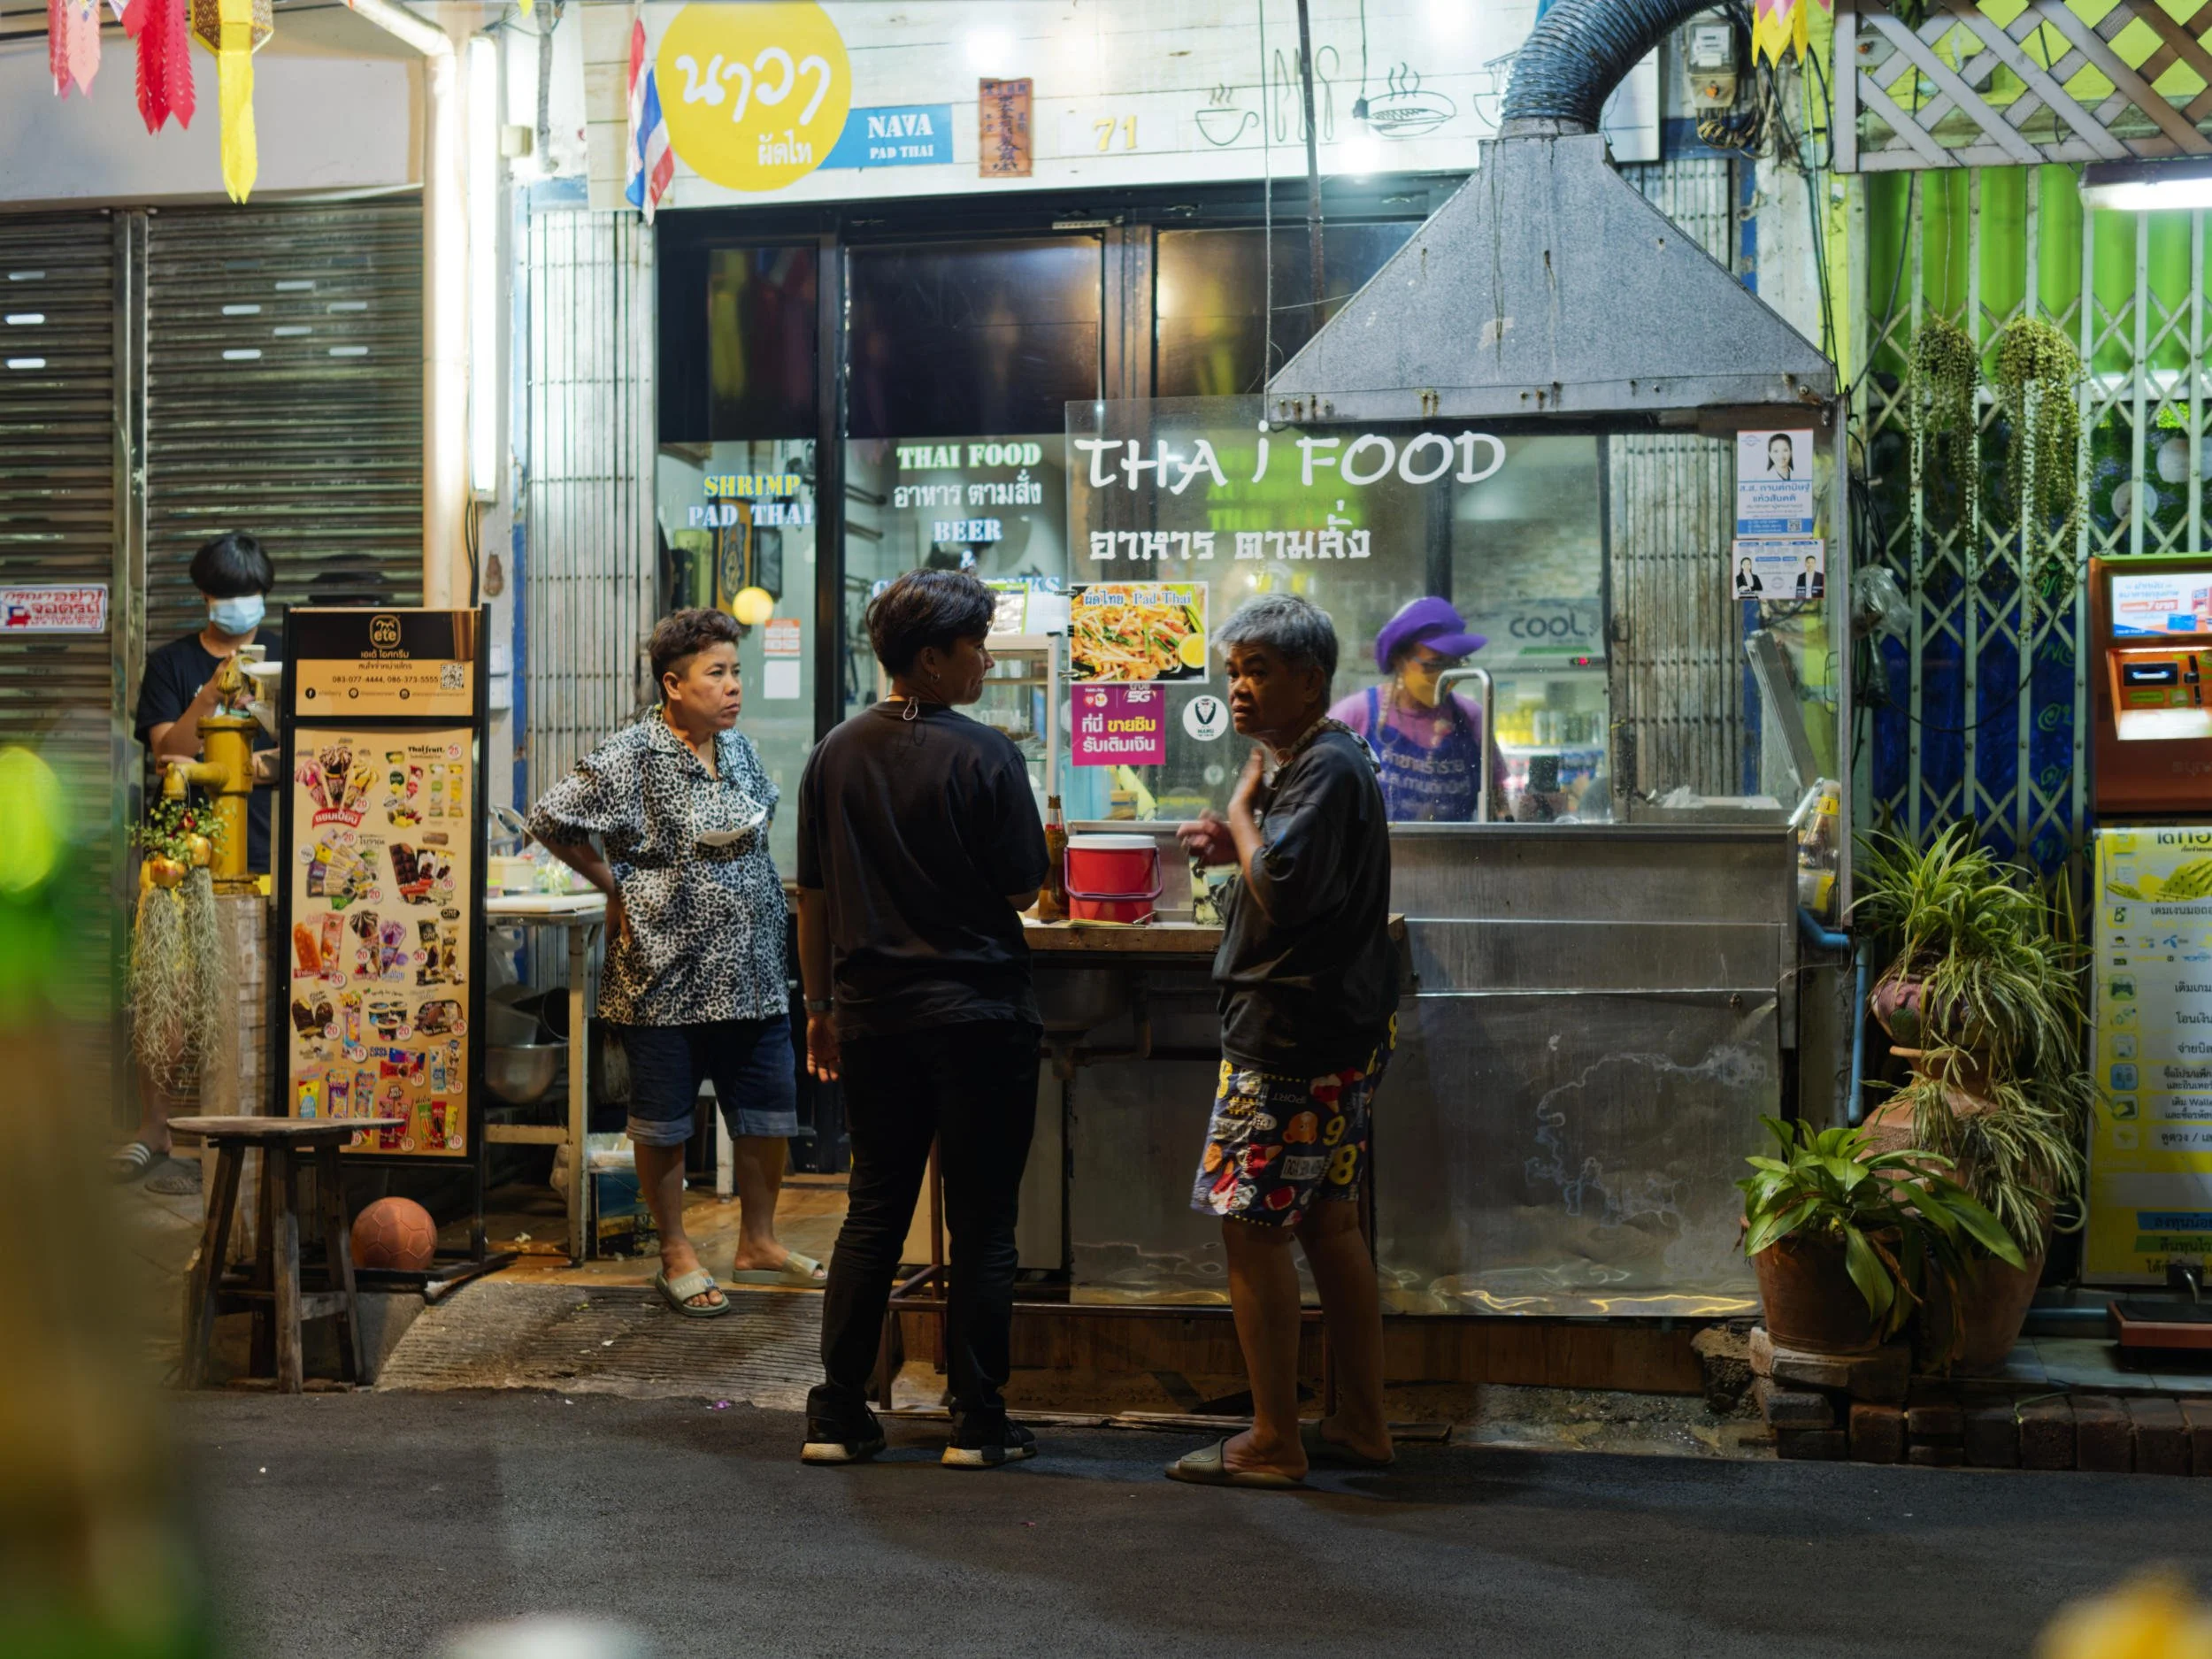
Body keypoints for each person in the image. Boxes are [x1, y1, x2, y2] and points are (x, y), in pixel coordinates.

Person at [795, 568, 1048, 1471]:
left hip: (871, 1016)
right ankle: (977, 1421)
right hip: (978, 1013)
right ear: (932, 659)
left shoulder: (834, 752)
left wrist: (819, 1006)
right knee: (982, 1220)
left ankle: (836, 1415)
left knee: (873, 1211)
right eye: (974, 646)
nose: (983, 660)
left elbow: (813, 897)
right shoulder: (986, 754)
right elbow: (1024, 886)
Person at [527, 608, 819, 1319]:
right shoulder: (633, 752)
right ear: (672, 683)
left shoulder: (741, 749)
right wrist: (612, 883)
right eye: (715, 673)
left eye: (736, 671)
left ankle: (758, 1242)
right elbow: (550, 817)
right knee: (663, 1119)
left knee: (766, 1109)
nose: (732, 687)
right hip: (667, 969)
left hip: (751, 965)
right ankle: (677, 1253)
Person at [1170, 595, 1401, 1488]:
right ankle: (1361, 1424)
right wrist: (1242, 840)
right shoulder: (1312, 763)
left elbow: (1287, 889)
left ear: (1310, 680)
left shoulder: (1318, 766)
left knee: (1252, 1232)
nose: (1238, 687)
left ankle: (1273, 1440)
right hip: (1331, 1033)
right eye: (1232, 671)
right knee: (1328, 1225)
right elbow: (1292, 872)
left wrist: (1236, 812)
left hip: (1291, 1039)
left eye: (1257, 669)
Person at [117, 532, 284, 1192]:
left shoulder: (282, 666)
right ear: (207, 596)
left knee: (257, 994)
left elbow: (294, 755)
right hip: (180, 855)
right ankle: (154, 1126)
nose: (242, 608)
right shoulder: (172, 665)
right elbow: (168, 752)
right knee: (168, 990)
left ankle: (254, 1125)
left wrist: (252, 763)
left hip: (266, 848)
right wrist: (210, 694)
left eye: (252, 596)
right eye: (230, 595)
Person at [1329, 596, 1508, 823]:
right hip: (1374, 857)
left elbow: (1499, 802)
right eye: (1434, 663)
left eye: (1454, 664)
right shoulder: (1354, 715)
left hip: (1457, 855)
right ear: (1398, 659)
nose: (1446, 675)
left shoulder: (1471, 717)